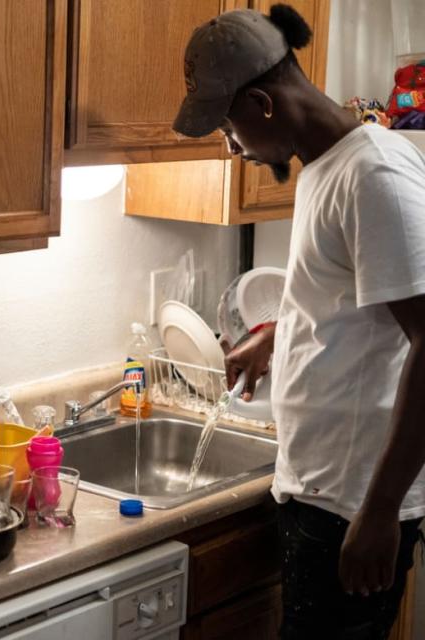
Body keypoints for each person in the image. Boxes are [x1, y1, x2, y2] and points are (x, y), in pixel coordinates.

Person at [173, 4, 425, 638]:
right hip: (320, 489)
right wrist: (275, 337)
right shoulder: (325, 164)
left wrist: (381, 513)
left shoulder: (375, 176)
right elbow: (351, 297)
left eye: (228, 128)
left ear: (260, 103)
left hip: (352, 504)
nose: (232, 148)